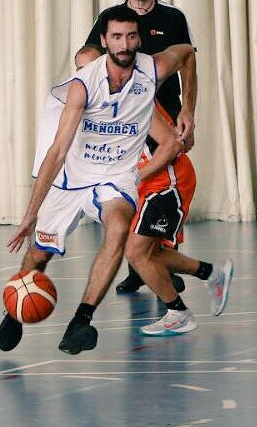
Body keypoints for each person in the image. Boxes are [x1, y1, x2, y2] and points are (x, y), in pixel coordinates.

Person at [0, 5, 195, 355]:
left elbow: (188, 54)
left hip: (116, 177)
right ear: (104, 41)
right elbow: (57, 152)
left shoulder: (152, 69)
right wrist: (31, 213)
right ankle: (14, 308)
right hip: (73, 175)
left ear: (138, 39)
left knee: (118, 227)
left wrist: (188, 108)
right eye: (116, 37)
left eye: (131, 36)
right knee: (40, 254)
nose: (125, 44)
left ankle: (81, 321)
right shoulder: (83, 86)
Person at [76, 46, 233, 336]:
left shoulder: (134, 97)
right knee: (151, 254)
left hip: (168, 180)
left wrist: (134, 176)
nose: (85, 77)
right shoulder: (94, 105)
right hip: (148, 185)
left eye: (91, 69)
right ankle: (212, 273)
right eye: (80, 71)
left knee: (135, 253)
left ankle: (178, 313)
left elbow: (172, 146)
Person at [86, 0, 198, 294]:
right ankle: (140, 266)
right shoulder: (113, 18)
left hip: (165, 118)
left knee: (169, 189)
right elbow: (87, 55)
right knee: (132, 188)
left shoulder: (173, 17)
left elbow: (189, 63)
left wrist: (188, 110)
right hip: (128, 122)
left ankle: (162, 261)